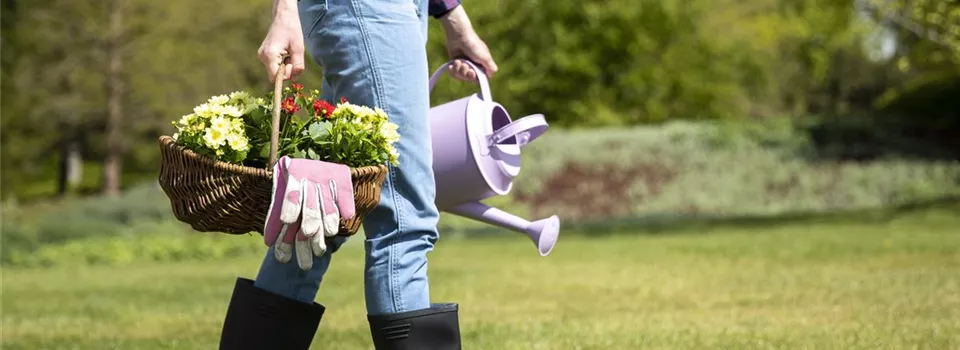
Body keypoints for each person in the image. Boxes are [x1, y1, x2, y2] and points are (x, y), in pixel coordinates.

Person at [217, 0, 499, 349]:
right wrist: (285, 10)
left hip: (391, 10)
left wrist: (452, 16)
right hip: (369, 9)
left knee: (319, 210)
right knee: (404, 218)